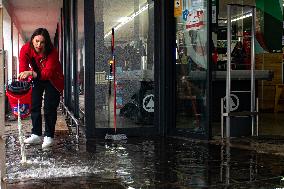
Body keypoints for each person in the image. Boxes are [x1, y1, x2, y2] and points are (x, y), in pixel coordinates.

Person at [18, 28, 64, 149]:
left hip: (53, 79)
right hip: (36, 77)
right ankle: (36, 134)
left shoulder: (52, 52)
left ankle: (49, 136)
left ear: (46, 43)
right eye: (37, 41)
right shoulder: (25, 49)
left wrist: (31, 73)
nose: (39, 45)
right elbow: (23, 68)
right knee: (34, 104)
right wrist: (23, 80)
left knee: (49, 107)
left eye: (42, 42)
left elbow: (47, 74)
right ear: (32, 40)